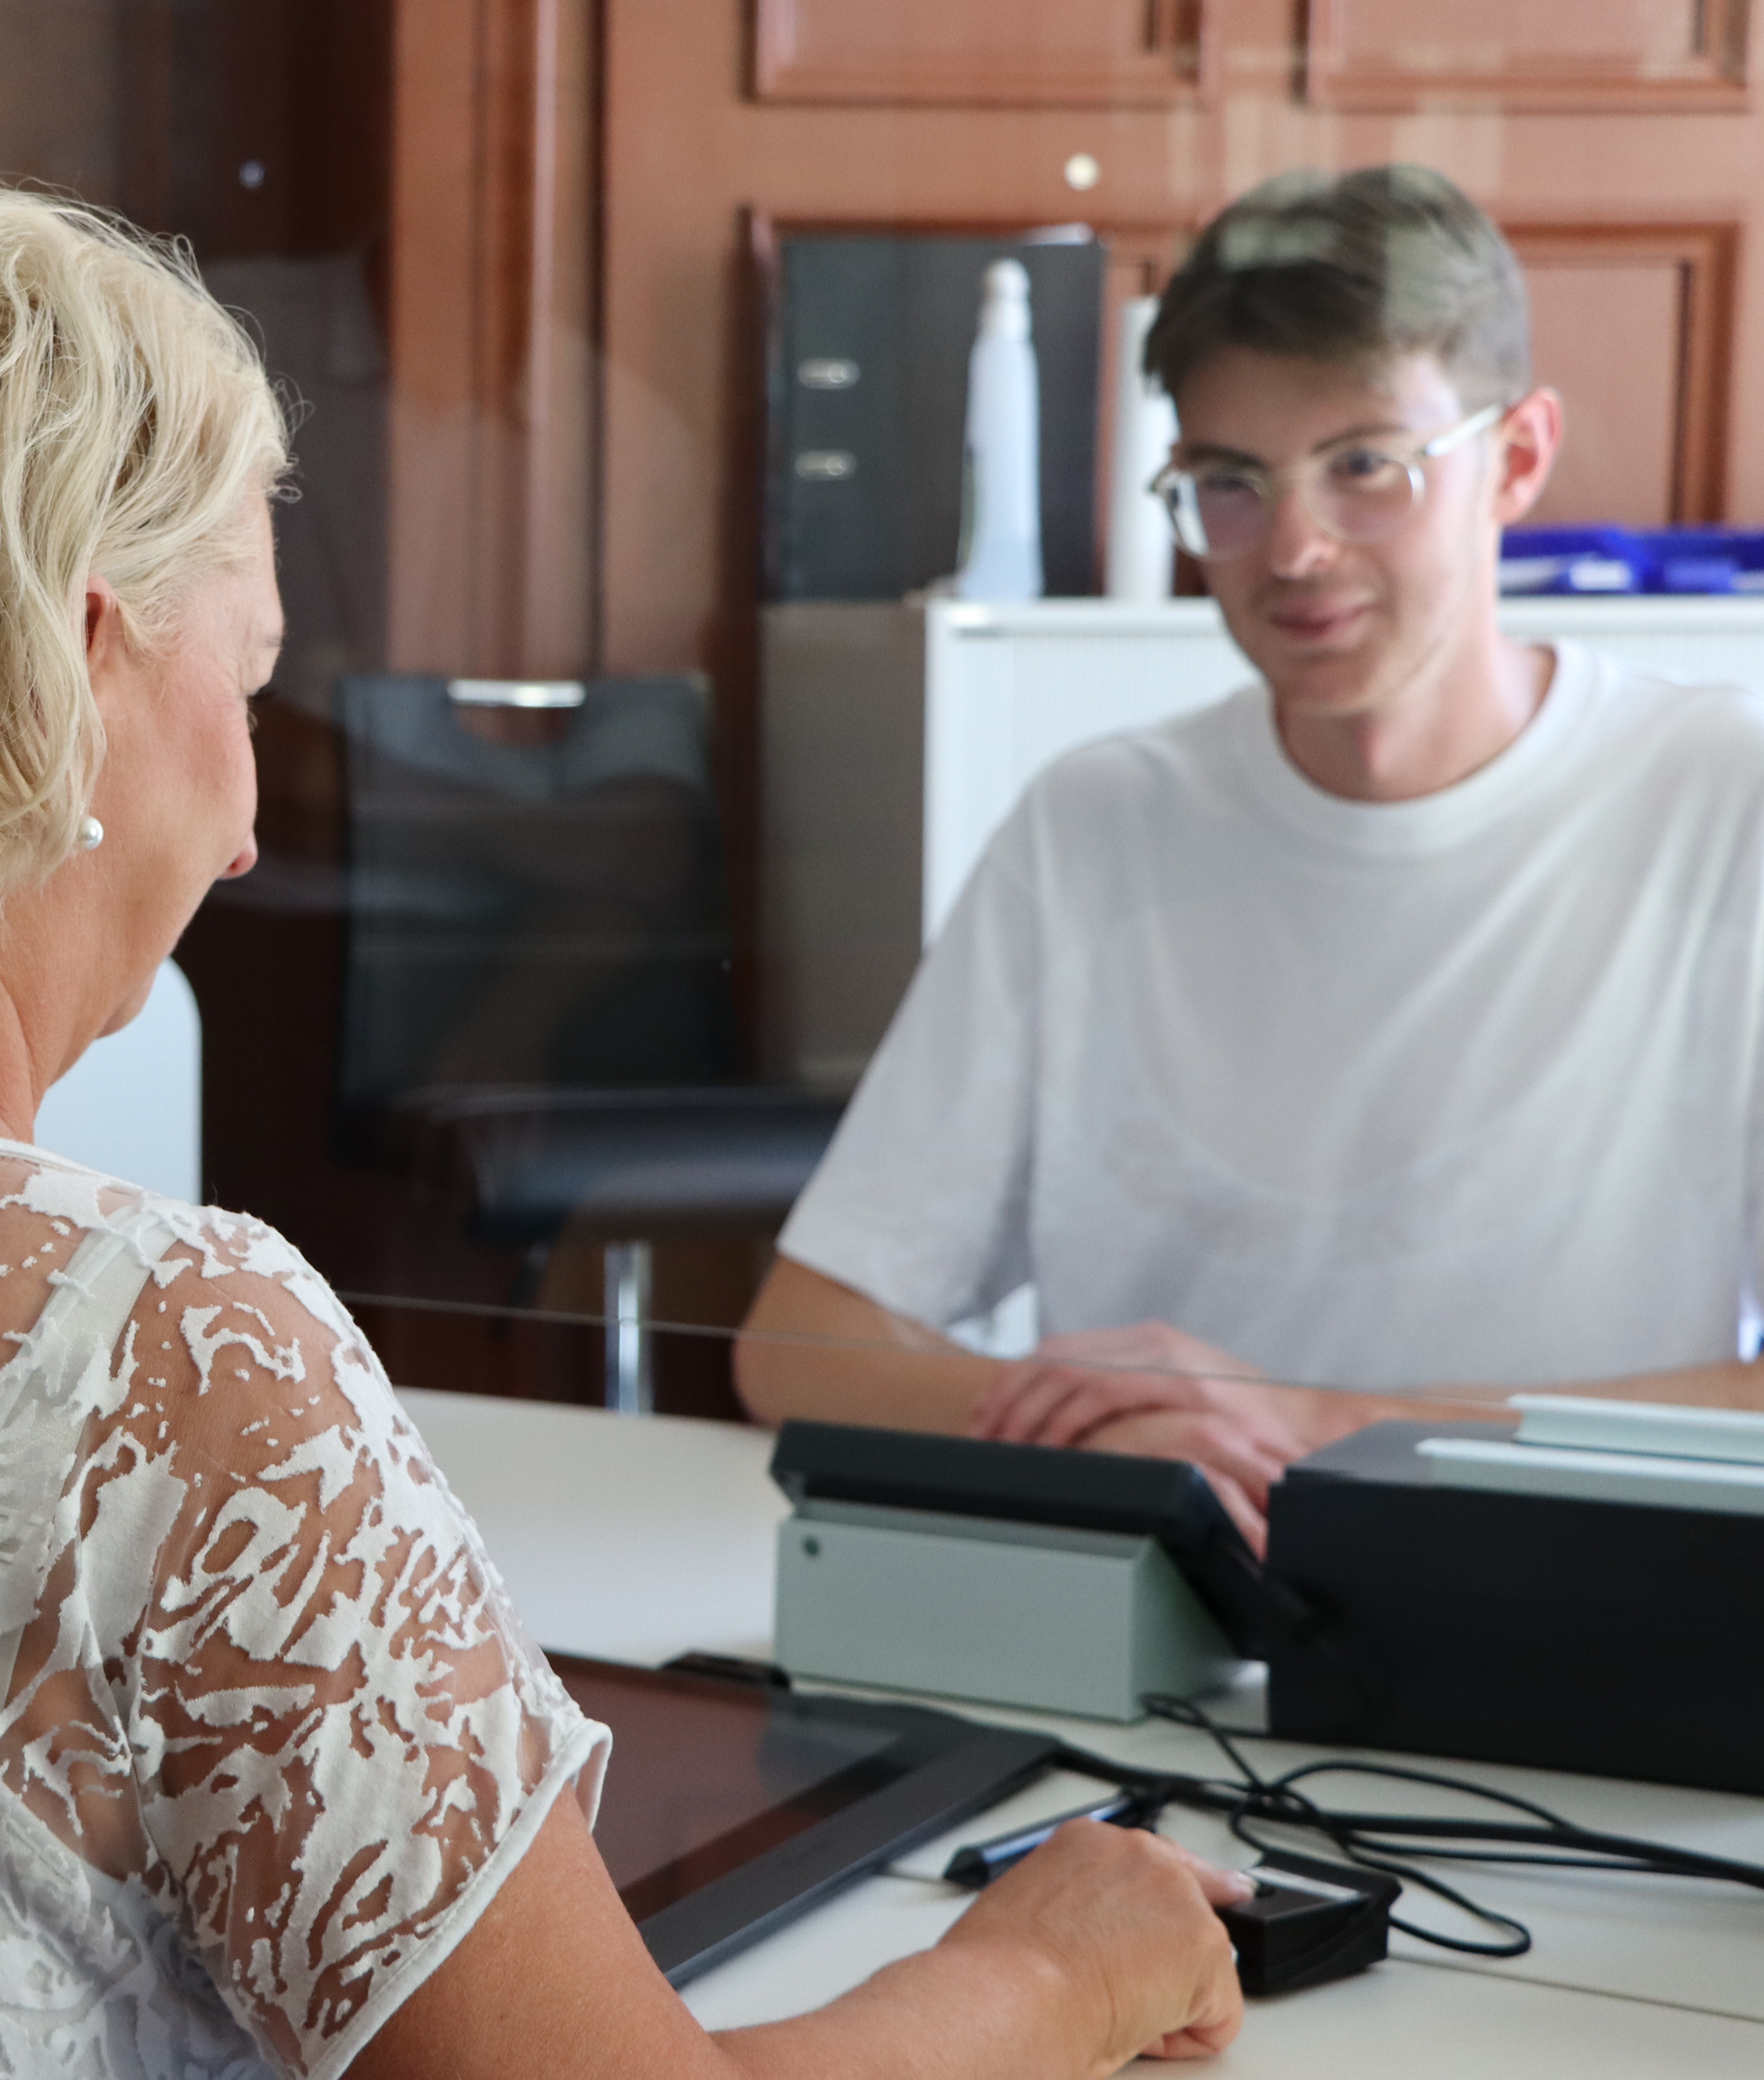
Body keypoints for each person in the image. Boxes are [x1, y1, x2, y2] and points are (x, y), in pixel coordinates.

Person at [0, 182, 1243, 2080]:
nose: (254, 824)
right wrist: (1044, 1964)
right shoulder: (153, 1352)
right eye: (250, 690)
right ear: (75, 664)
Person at [739, 166, 1764, 1545]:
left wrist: (1329, 1427)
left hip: (1567, 1606)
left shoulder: (1722, 802)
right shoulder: (1097, 823)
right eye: (1229, 481)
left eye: (1365, 467)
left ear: (1516, 459)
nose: (1294, 548)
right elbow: (798, 1343)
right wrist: (1117, 1432)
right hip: (1147, 1617)